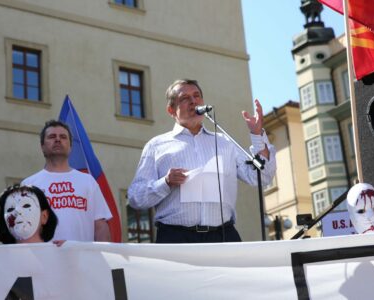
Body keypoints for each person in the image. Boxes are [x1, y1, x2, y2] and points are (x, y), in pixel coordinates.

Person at [128, 79, 276, 243]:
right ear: (171, 110)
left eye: (197, 96)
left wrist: (256, 135)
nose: (193, 101)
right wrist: (165, 183)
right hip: (176, 238)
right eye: (185, 98)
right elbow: (136, 198)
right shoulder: (156, 146)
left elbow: (262, 177)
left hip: (223, 236)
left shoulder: (224, 142)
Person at [22, 120, 112, 242]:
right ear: (42, 146)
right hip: (44, 258)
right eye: (52, 137)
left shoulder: (88, 181)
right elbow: (23, 228)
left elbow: (100, 226)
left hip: (81, 258)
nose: (58, 140)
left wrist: (101, 257)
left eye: (63, 137)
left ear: (70, 147)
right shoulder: (29, 185)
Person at [0, 184, 60, 260]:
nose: (17, 211)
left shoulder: (60, 255)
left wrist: (71, 253)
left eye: (26, 205)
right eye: (10, 209)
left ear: (44, 216)